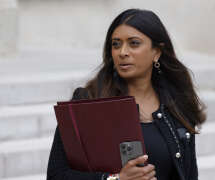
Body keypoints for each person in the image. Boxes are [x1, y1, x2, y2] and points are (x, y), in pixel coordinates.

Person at [47, 8, 206, 180]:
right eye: (116, 44)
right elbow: (56, 175)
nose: (122, 52)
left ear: (157, 52)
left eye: (134, 43)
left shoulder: (177, 106)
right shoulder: (87, 100)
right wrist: (115, 179)